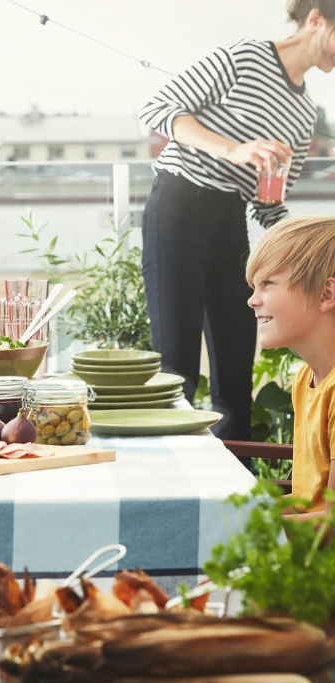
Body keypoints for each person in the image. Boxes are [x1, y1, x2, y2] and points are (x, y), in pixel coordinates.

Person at [138, 0, 335, 442]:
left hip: (231, 223)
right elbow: (157, 108)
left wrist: (315, 252)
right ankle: (175, 493)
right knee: (177, 369)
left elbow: (269, 206)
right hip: (179, 207)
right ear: (317, 19)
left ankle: (238, 502)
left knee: (235, 375)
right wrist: (232, 148)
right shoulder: (245, 57)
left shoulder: (304, 115)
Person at [246, 215, 335, 520]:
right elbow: (306, 500)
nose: (252, 301)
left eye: (267, 284)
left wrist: (242, 530)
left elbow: (332, 526)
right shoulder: (305, 379)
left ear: (326, 295)